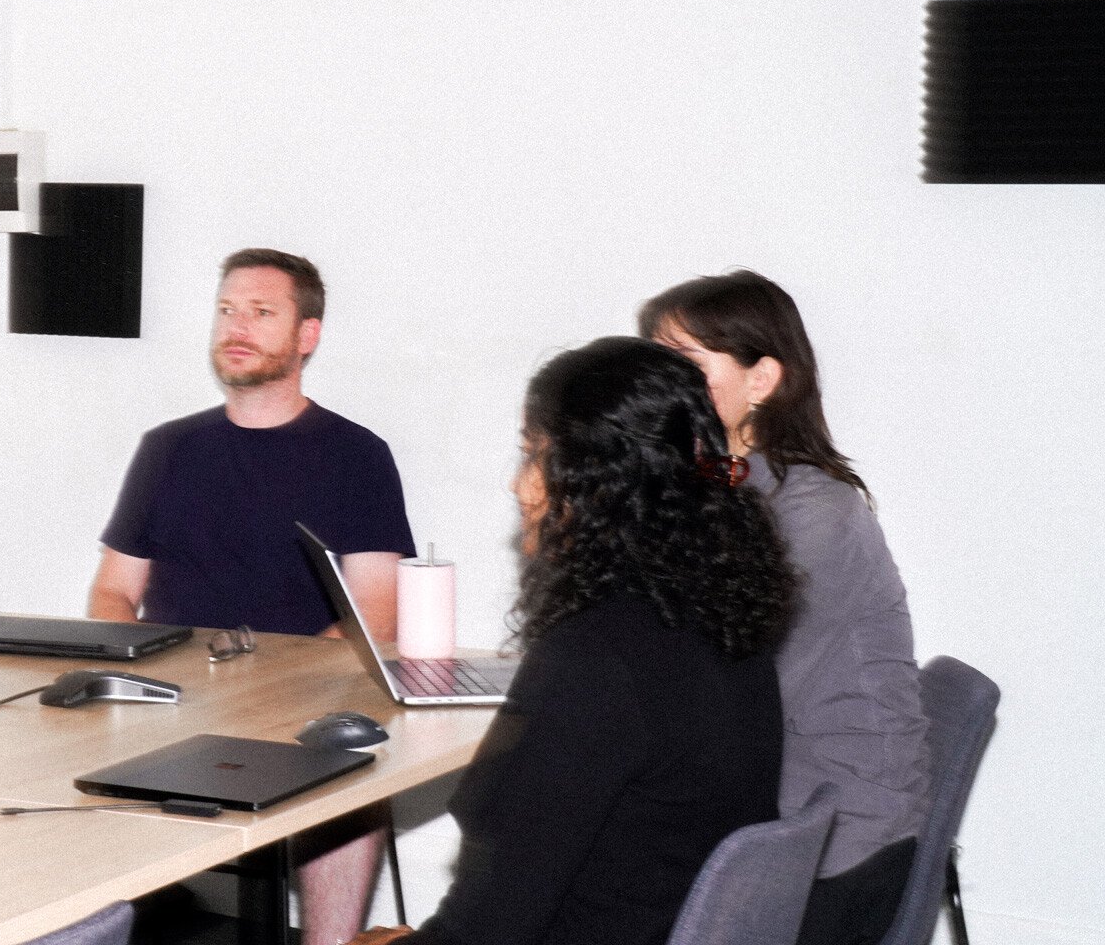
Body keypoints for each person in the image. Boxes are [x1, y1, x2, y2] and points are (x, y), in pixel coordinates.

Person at [358, 336, 797, 945]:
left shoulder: (598, 657)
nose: (520, 486)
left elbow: (491, 925)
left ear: (599, 477)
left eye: (535, 455)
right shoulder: (722, 621)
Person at [90, 248, 415, 945]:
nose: (237, 327)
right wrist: (142, 677)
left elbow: (374, 620)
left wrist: (261, 691)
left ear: (307, 336)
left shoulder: (357, 456)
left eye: (262, 312)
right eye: (227, 309)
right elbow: (115, 592)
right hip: (172, 708)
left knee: (350, 767)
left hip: (302, 710)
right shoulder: (168, 448)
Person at [640, 270, 929, 945]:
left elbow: (728, 687)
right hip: (787, 813)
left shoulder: (814, 515)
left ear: (761, 380)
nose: (658, 388)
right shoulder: (722, 487)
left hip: (837, 841)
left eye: (683, 366)